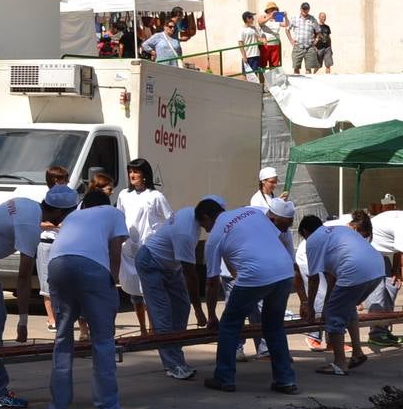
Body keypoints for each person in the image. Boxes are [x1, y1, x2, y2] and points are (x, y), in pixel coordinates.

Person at [0, 186, 79, 407]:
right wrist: (23, 323)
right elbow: (23, 279)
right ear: (60, 214)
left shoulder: (26, 204)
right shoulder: (29, 227)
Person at [45, 187, 133, 409]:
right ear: (107, 202)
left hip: (57, 265)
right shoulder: (113, 213)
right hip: (91, 268)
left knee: (63, 337)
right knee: (103, 341)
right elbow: (116, 250)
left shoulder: (73, 216)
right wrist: (112, 281)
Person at [202, 200, 300, 394]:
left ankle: (224, 377)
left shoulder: (215, 236)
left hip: (255, 274)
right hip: (284, 270)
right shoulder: (253, 213)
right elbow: (262, 243)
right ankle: (285, 380)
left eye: (203, 225)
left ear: (206, 218)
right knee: (274, 326)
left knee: (229, 325)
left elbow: (212, 281)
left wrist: (211, 314)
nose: (204, 230)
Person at [135, 197, 224, 380]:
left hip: (170, 265)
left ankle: (175, 355)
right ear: (205, 217)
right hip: (151, 262)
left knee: (182, 307)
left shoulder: (192, 212)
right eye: (215, 222)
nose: (216, 226)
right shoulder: (186, 234)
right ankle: (173, 365)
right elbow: (191, 276)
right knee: (163, 315)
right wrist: (199, 310)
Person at [300, 214, 386, 376]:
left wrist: (310, 307)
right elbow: (332, 277)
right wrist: (326, 303)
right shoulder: (338, 230)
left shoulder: (312, 240)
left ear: (305, 231)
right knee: (347, 307)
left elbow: (313, 279)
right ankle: (357, 352)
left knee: (334, 315)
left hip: (355, 271)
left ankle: (340, 363)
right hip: (377, 268)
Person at [116, 158, 171, 338]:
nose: (132, 175)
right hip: (129, 249)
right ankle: (142, 329)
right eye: (130, 171)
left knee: (149, 291)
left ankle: (153, 327)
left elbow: (169, 220)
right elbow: (119, 217)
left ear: (145, 175)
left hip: (148, 249)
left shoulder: (155, 196)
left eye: (136, 172)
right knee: (134, 292)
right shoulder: (124, 194)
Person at [365, 205, 403, 346]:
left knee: (391, 287)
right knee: (377, 294)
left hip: (383, 255)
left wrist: (395, 270)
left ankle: (384, 329)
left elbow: (399, 248)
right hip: (370, 252)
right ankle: (375, 333)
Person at [37, 166, 70, 332]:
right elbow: (36, 221)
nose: (61, 182)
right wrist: (47, 225)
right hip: (46, 242)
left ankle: (65, 316)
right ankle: (52, 319)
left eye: (63, 179)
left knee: (66, 282)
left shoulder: (73, 199)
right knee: (46, 281)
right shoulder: (43, 198)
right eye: (57, 179)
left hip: (64, 243)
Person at [285, 2, 321, 75]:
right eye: (304, 9)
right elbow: (287, 29)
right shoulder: (294, 18)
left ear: (309, 10)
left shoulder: (312, 19)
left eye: (307, 9)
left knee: (309, 68)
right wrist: (291, 40)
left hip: (309, 47)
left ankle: (308, 85)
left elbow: (318, 32)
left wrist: (315, 41)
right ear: (301, 9)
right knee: (296, 68)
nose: (305, 10)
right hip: (298, 47)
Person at [238, 11, 265, 83]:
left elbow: (258, 38)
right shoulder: (242, 30)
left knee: (254, 75)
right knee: (246, 75)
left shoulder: (254, 28)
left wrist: (262, 40)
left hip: (256, 54)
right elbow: (240, 43)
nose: (253, 19)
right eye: (252, 17)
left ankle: (255, 90)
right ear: (247, 19)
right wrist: (244, 56)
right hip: (248, 55)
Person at [258, 2, 284, 70]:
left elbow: (285, 25)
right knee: (262, 65)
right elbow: (260, 22)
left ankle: (272, 80)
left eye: (274, 9)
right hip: (265, 44)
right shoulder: (263, 16)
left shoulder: (278, 17)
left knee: (274, 65)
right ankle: (262, 80)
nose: (273, 10)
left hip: (275, 43)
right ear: (268, 10)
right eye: (271, 9)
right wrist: (270, 16)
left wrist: (286, 17)